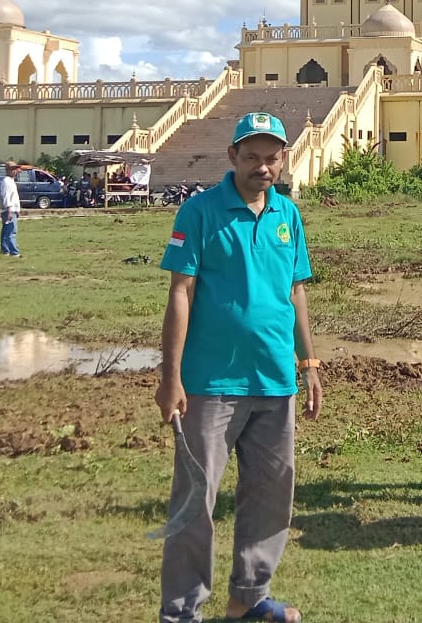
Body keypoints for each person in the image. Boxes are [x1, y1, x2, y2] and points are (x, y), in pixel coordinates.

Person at [155, 112, 322, 623]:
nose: (262, 167)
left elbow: (296, 293)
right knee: (195, 505)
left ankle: (247, 599)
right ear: (232, 157)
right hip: (210, 385)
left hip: (274, 380)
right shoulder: (200, 213)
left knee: (271, 497)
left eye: (272, 158)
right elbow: (180, 292)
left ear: (283, 159)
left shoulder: (286, 215)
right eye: (252, 157)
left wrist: (308, 362)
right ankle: (182, 612)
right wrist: (171, 375)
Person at [0, 161, 21, 256]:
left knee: (6, 231)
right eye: (12, 169)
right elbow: (6, 196)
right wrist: (9, 210)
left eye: (15, 169)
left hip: (12, 209)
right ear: (7, 170)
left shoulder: (11, 181)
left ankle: (5, 250)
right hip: (9, 210)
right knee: (11, 231)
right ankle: (14, 252)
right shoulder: (7, 182)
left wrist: (17, 210)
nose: (15, 171)